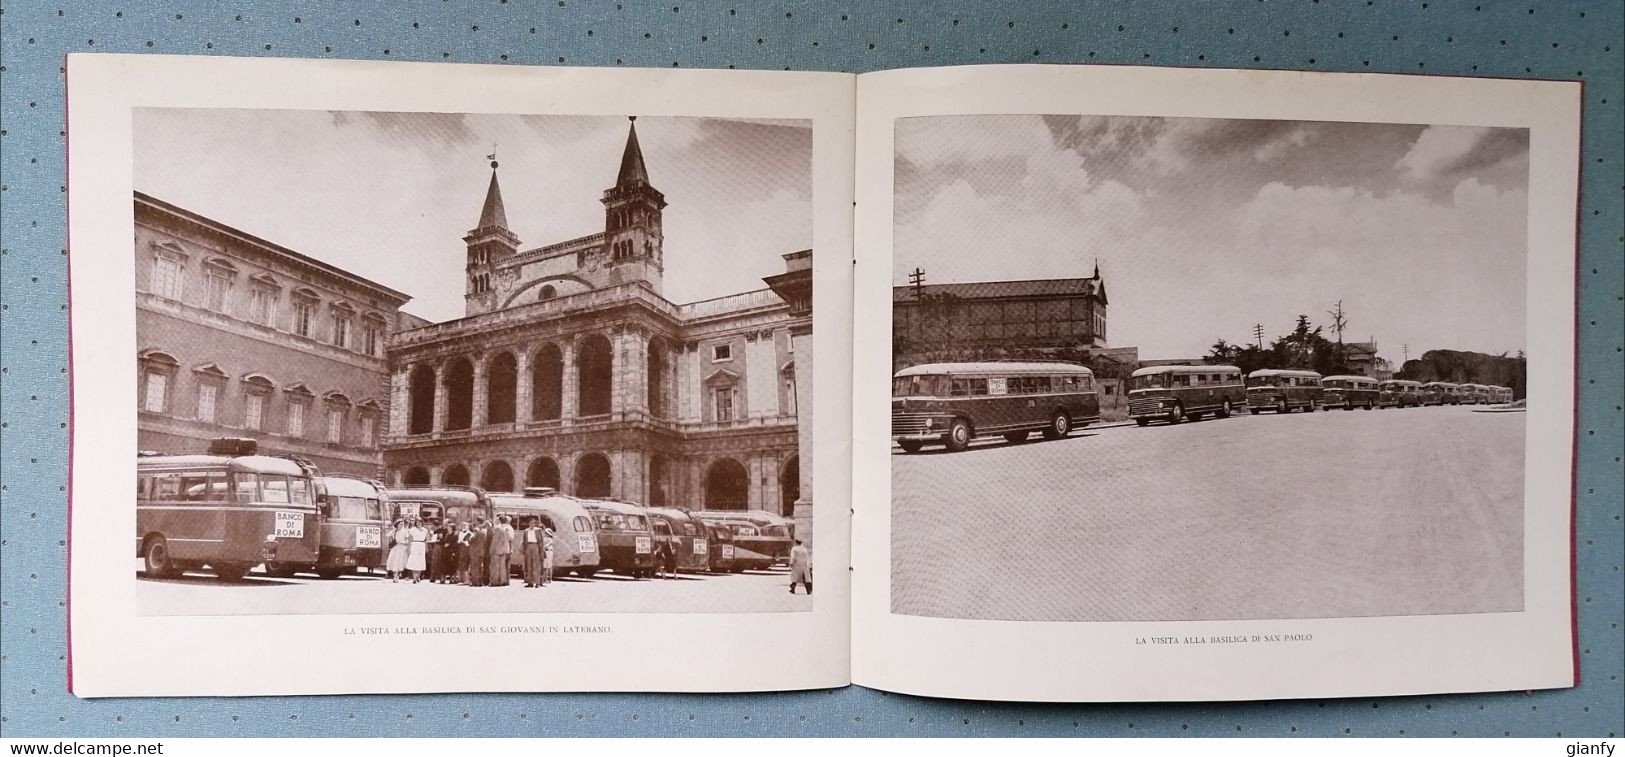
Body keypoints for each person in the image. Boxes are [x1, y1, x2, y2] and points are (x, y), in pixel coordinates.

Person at [488, 515, 514, 587]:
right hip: (505, 549)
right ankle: (502, 581)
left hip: (497, 549)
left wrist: (491, 549)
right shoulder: (508, 528)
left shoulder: (498, 528)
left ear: (499, 520)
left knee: (495, 566)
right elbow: (510, 538)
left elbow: (495, 540)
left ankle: (495, 581)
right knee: (502, 566)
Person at [466, 518, 489, 587]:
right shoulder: (484, 531)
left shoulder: (477, 530)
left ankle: (475, 582)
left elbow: (471, 540)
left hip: (475, 551)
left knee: (474, 567)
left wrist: (469, 537)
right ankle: (480, 581)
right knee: (480, 567)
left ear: (478, 521)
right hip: (481, 551)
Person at [521, 518, 544, 588]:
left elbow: (541, 541)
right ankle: (530, 582)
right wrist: (524, 550)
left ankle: (537, 582)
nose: (532, 524)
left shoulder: (538, 530)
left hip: (535, 546)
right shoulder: (526, 531)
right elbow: (524, 541)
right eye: (531, 523)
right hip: (528, 546)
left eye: (534, 523)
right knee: (528, 564)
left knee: (536, 565)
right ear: (529, 523)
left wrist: (541, 550)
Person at [405, 517, 429, 583]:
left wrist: (426, 547)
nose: (419, 523)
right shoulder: (412, 530)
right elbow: (410, 540)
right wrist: (409, 548)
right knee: (414, 560)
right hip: (414, 544)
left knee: (421, 560)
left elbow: (426, 540)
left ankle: (418, 576)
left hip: (421, 545)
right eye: (417, 522)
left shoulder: (425, 530)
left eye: (420, 522)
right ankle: (414, 577)